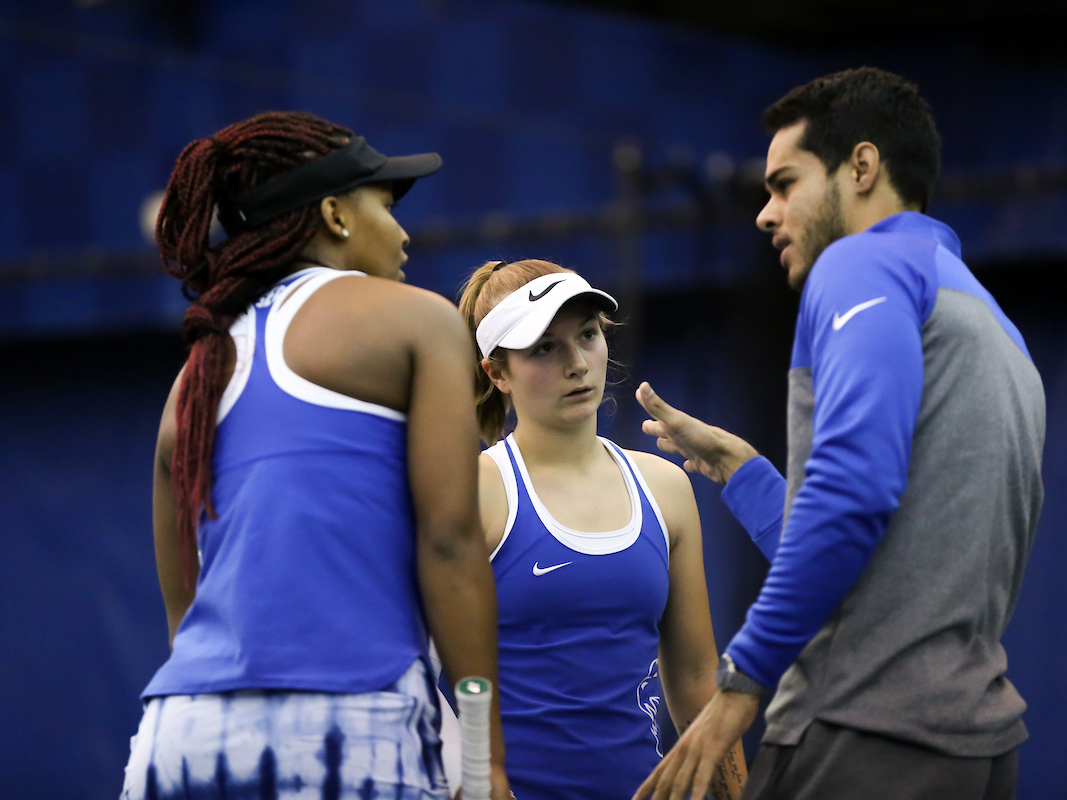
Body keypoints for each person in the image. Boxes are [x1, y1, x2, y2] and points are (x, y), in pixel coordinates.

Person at [633, 67, 1046, 800]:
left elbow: (854, 493)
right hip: (970, 749)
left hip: (863, 735)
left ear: (862, 166)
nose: (766, 213)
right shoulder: (991, 322)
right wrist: (747, 473)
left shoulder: (860, 261)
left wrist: (739, 684)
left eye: (785, 183)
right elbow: (895, 562)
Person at [121, 111, 510, 800]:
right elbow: (450, 546)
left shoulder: (194, 378)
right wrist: (484, 762)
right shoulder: (419, 319)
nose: (403, 232)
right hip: (345, 721)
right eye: (387, 207)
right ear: (334, 214)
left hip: (178, 738)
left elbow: (185, 616)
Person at [456, 259, 748, 800]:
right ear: (497, 373)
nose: (576, 364)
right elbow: (439, 681)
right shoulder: (473, 492)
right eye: (544, 347)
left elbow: (696, 680)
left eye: (587, 335)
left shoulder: (666, 489)